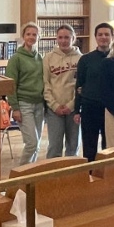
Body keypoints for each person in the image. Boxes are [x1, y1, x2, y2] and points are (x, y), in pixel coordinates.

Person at [4, 23, 47, 164]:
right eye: (28, 34)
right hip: (24, 105)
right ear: (23, 36)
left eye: (34, 34)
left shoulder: (40, 58)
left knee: (37, 144)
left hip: (39, 104)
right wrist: (15, 108)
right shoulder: (16, 58)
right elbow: (10, 84)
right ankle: (19, 175)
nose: (31, 37)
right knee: (32, 144)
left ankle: (30, 175)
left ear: (38, 37)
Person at [75, 22, 114, 160]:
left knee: (108, 145)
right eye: (100, 34)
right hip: (89, 107)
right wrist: (76, 110)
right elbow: (79, 84)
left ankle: (106, 174)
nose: (103, 37)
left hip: (110, 108)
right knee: (89, 144)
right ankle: (90, 174)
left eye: (107, 34)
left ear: (112, 37)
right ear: (95, 37)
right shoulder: (86, 59)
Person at [43, 24, 81, 158]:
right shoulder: (48, 58)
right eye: (60, 37)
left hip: (74, 109)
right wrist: (54, 105)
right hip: (54, 110)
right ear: (56, 39)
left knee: (73, 145)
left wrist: (71, 105)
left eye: (67, 37)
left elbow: (81, 87)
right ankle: (53, 177)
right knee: (54, 146)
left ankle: (71, 177)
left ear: (73, 38)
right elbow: (45, 84)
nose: (63, 41)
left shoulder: (81, 59)